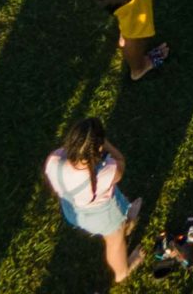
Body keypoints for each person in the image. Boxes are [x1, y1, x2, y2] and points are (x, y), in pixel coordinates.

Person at [42, 117, 145, 284]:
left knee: (118, 211)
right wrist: (106, 144)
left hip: (73, 210)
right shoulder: (105, 173)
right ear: (97, 148)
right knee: (115, 241)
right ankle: (122, 272)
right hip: (103, 218)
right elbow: (120, 162)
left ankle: (127, 222)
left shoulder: (53, 160)